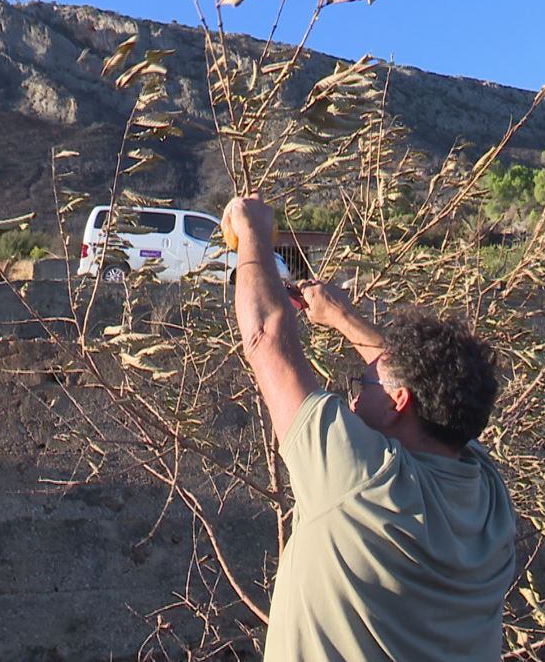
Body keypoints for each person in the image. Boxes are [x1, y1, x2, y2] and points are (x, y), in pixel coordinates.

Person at [222, 195, 517, 661]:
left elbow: (264, 337)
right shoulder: (488, 496)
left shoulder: (362, 479)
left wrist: (252, 230)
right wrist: (341, 318)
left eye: (364, 384)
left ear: (401, 401)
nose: (355, 396)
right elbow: (431, 391)